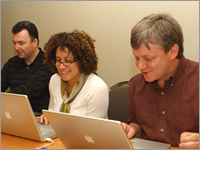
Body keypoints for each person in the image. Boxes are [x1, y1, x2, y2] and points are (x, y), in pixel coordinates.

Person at [122, 13, 199, 149]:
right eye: (137, 58)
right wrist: (133, 129)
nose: (140, 66)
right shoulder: (136, 84)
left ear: (172, 51)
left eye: (149, 59)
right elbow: (138, 125)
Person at [38, 30, 109, 124]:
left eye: (68, 61)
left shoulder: (97, 88)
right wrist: (47, 117)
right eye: (58, 60)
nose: (61, 66)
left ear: (82, 61)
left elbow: (92, 132)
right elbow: (52, 112)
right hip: (56, 136)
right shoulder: (54, 80)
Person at [1, 21, 53, 116]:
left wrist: (6, 98)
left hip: (40, 116)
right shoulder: (11, 63)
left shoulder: (48, 62)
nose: (16, 47)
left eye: (21, 43)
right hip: (14, 114)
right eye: (14, 43)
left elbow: (29, 89)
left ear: (35, 42)